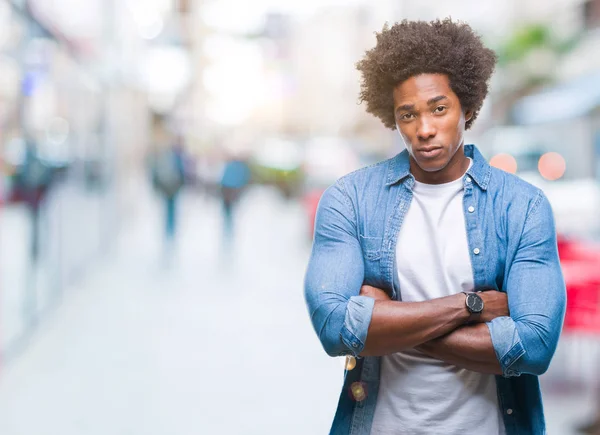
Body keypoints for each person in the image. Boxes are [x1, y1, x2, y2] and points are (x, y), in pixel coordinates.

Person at [304, 19, 566, 435]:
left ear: (467, 107)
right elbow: (336, 329)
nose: (424, 129)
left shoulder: (522, 206)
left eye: (438, 109)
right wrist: (470, 307)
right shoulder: (349, 200)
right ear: (393, 118)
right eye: (408, 114)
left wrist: (384, 320)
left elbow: (534, 347)